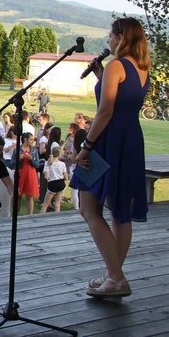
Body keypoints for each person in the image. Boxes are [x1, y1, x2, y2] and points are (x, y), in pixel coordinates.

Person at [72, 17, 150, 298]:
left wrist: (86, 146)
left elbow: (106, 110)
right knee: (120, 212)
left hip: (107, 139)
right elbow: (123, 97)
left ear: (121, 37)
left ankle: (117, 277)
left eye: (110, 35)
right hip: (130, 140)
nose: (108, 40)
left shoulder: (117, 65)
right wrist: (100, 74)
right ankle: (112, 275)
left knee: (88, 208)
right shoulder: (141, 67)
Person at [40, 147, 68, 213]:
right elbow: (66, 177)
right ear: (60, 154)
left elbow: (46, 176)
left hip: (52, 183)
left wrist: (46, 173)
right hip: (60, 182)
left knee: (45, 204)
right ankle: (57, 218)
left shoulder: (48, 163)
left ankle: (40, 218)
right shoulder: (62, 164)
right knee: (58, 204)